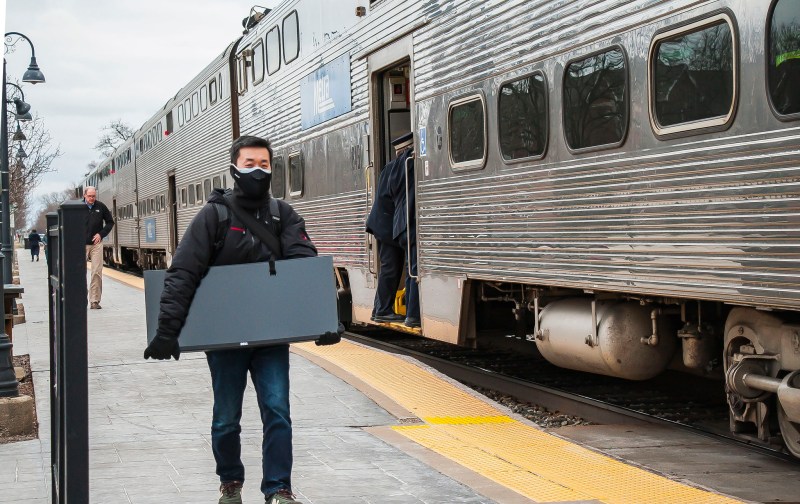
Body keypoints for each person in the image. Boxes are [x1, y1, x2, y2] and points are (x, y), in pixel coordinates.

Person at [144, 135, 317, 504]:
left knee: (278, 411)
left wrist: (322, 320)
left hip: (270, 335)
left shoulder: (283, 215)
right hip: (225, 339)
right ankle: (230, 482)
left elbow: (304, 269)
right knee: (226, 418)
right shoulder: (214, 216)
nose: (258, 171)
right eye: (249, 164)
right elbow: (183, 272)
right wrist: (166, 331)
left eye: (264, 165)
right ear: (234, 169)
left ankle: (278, 489)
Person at [365, 140, 407, 323]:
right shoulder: (397, 168)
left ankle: (379, 309)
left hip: (383, 223)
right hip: (386, 225)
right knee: (391, 267)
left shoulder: (389, 167)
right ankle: (382, 310)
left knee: (390, 267)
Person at [387, 133, 420, 328]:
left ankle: (411, 313)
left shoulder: (392, 169)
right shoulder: (409, 164)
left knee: (410, 270)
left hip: (400, 225)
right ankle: (413, 315)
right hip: (411, 223)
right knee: (415, 269)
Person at [83, 186, 114, 309]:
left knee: (96, 272)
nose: (92, 198)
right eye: (89, 196)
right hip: (81, 244)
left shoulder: (100, 206)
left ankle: (94, 300)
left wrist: (101, 234)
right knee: (80, 272)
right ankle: (80, 299)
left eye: (94, 196)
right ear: (84, 195)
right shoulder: (78, 208)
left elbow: (110, 222)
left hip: (96, 244)